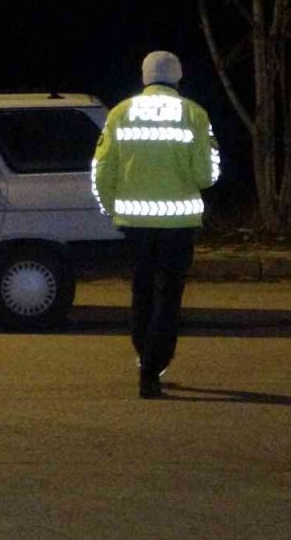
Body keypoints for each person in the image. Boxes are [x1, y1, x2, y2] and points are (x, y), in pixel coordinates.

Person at [92, 50, 220, 399]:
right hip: (178, 223)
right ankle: (153, 366)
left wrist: (110, 207)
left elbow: (102, 168)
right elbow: (206, 175)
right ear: (178, 77)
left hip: (134, 222)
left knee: (142, 291)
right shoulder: (194, 114)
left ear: (144, 75)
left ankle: (144, 355)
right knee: (169, 296)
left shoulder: (121, 113)